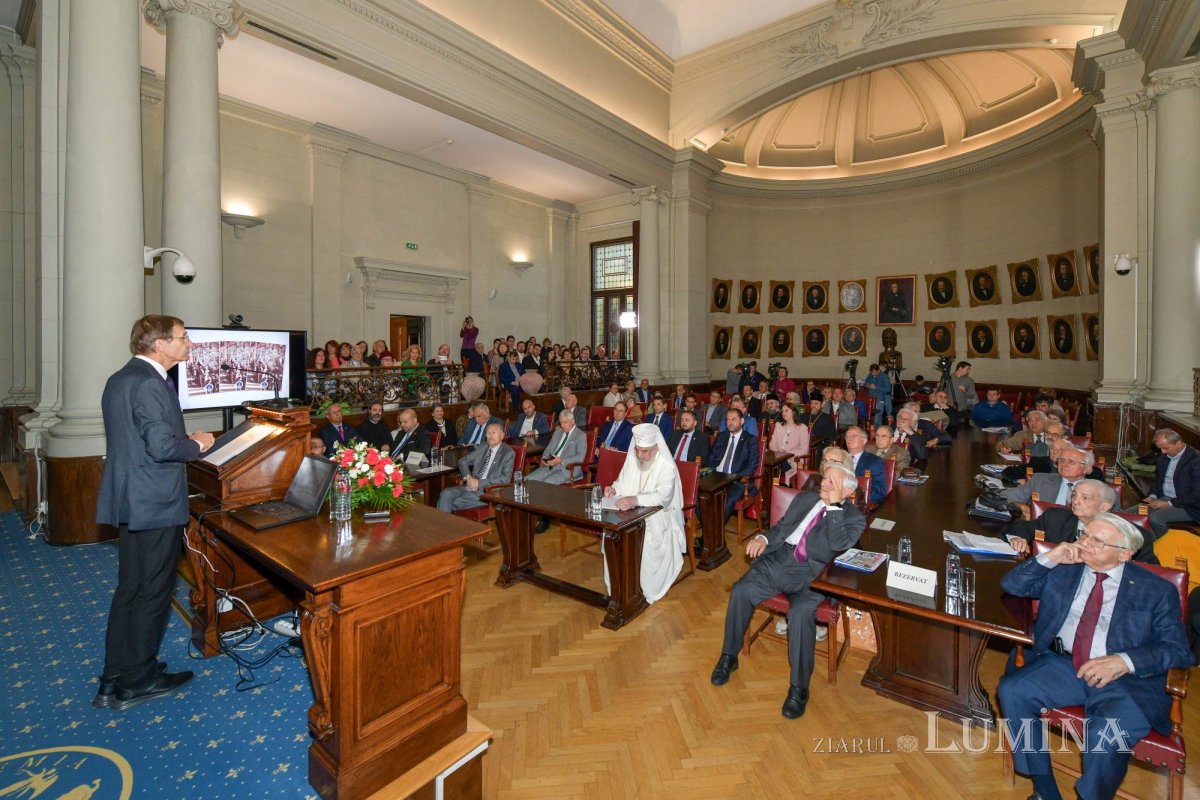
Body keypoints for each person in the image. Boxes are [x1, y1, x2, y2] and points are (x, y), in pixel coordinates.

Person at [998, 514, 1191, 800]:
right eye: (1084, 535)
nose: (1085, 543)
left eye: (1097, 541)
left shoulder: (1156, 590)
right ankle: (1045, 789)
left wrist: (1123, 660)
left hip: (1126, 682)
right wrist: (1051, 556)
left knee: (1105, 736)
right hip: (1065, 664)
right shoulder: (1065, 570)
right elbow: (1013, 585)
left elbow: (1177, 648)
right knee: (1013, 689)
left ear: (1124, 554)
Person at [95, 315, 216, 711]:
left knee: (130, 588)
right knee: (152, 591)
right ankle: (139, 679)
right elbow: (162, 447)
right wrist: (196, 444)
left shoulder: (121, 378)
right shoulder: (151, 383)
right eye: (183, 338)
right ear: (159, 345)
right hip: (154, 502)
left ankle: (116, 674)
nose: (189, 345)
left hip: (132, 498)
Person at [710, 463, 866, 719]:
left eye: (831, 483)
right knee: (741, 591)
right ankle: (728, 656)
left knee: (801, 613)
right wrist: (763, 538)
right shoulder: (805, 499)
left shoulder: (854, 518)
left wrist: (834, 507)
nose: (823, 484)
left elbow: (838, 543)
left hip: (814, 575)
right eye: (824, 479)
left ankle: (799, 688)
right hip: (779, 560)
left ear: (847, 492)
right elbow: (782, 528)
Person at [602, 424, 686, 604]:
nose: (641, 455)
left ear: (656, 448)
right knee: (609, 534)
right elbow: (621, 482)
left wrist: (636, 500)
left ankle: (645, 589)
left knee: (646, 539)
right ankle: (620, 587)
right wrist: (613, 490)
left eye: (645, 451)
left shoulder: (666, 466)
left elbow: (663, 496)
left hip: (656, 514)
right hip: (628, 513)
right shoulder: (633, 459)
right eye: (638, 450)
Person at [1001, 479, 1157, 562]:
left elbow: (1150, 573)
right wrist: (1018, 538)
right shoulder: (1056, 517)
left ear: (1104, 506)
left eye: (1085, 498)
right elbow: (1020, 527)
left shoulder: (1134, 536)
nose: (1075, 502)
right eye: (1074, 495)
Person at [530, 411, 588, 532]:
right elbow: (548, 449)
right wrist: (545, 459)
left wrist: (561, 461)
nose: (562, 425)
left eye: (565, 422)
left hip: (568, 469)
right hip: (549, 465)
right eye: (561, 422)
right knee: (527, 480)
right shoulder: (558, 432)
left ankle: (545, 519)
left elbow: (580, 458)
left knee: (546, 483)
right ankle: (528, 513)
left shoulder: (581, 436)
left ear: (573, 422)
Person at [436, 423, 514, 514]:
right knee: (445, 493)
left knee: (449, 502)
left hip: (488, 492)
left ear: (502, 435)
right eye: (488, 433)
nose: (490, 436)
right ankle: (442, 526)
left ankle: (440, 526)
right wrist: (469, 478)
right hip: (470, 486)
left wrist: (478, 483)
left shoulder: (508, 453)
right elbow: (463, 461)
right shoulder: (483, 446)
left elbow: (505, 480)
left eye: (494, 433)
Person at [1137, 429, 1200, 539]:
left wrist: (1169, 503)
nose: (1162, 452)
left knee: (1154, 518)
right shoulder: (1163, 457)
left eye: (1166, 448)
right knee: (1131, 514)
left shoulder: (1195, 460)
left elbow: (1196, 495)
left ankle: (1163, 547)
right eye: (1160, 448)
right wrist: (1152, 496)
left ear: (1178, 443)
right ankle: (1148, 546)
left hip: (1190, 506)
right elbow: (1158, 481)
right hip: (1164, 498)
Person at [1002, 446, 1094, 519]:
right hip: (1039, 531)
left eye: (1071, 462)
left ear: (1086, 468)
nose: (1064, 464)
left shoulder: (1095, 492)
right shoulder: (1040, 480)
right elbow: (1007, 495)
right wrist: (1020, 505)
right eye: (1061, 460)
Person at [707, 409, 761, 521]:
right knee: (700, 497)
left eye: (733, 419)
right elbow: (711, 458)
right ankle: (710, 530)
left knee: (728, 499)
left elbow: (751, 466)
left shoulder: (750, 440)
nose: (730, 422)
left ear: (741, 421)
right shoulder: (721, 436)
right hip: (717, 477)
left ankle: (717, 534)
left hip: (737, 480)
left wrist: (734, 478)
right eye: (728, 420)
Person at [843, 427, 887, 504]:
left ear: (864, 441)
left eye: (854, 436)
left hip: (857, 503)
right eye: (847, 437)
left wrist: (857, 497)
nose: (850, 439)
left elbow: (880, 491)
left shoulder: (875, 461)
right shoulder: (839, 458)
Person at [769, 402, 810, 485]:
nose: (783, 413)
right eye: (782, 411)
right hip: (777, 458)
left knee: (777, 468)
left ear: (793, 412)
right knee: (770, 467)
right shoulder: (778, 425)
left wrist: (787, 454)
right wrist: (780, 452)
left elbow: (804, 450)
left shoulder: (802, 428)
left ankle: (780, 484)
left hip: (793, 459)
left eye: (786, 410)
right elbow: (772, 445)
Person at [947, 361, 977, 426]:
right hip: (948, 409)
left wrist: (965, 390)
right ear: (960, 368)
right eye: (967, 369)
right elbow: (943, 392)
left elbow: (972, 395)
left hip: (961, 411)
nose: (968, 371)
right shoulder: (948, 377)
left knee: (961, 432)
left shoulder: (969, 380)